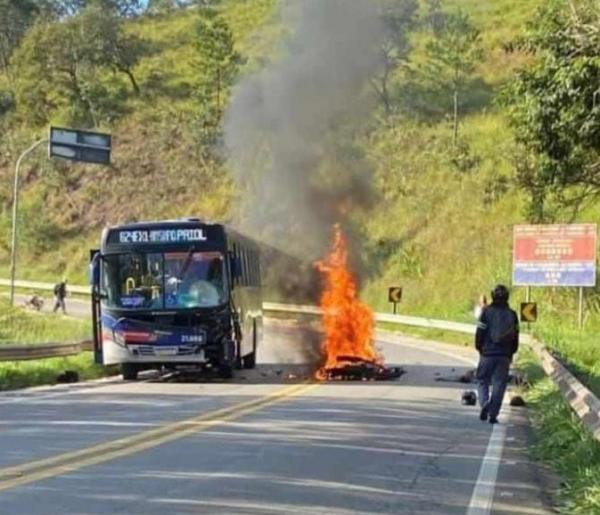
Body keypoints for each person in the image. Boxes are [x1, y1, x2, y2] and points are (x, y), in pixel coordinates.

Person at [475, 284, 519, 424]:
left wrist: (479, 348)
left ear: (492, 296)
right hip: (504, 355)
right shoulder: (512, 315)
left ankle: (484, 403)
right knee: (499, 385)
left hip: (487, 354)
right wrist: (511, 352)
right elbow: (516, 336)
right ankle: (493, 414)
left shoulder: (486, 312)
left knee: (482, 380)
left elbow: (480, 333)